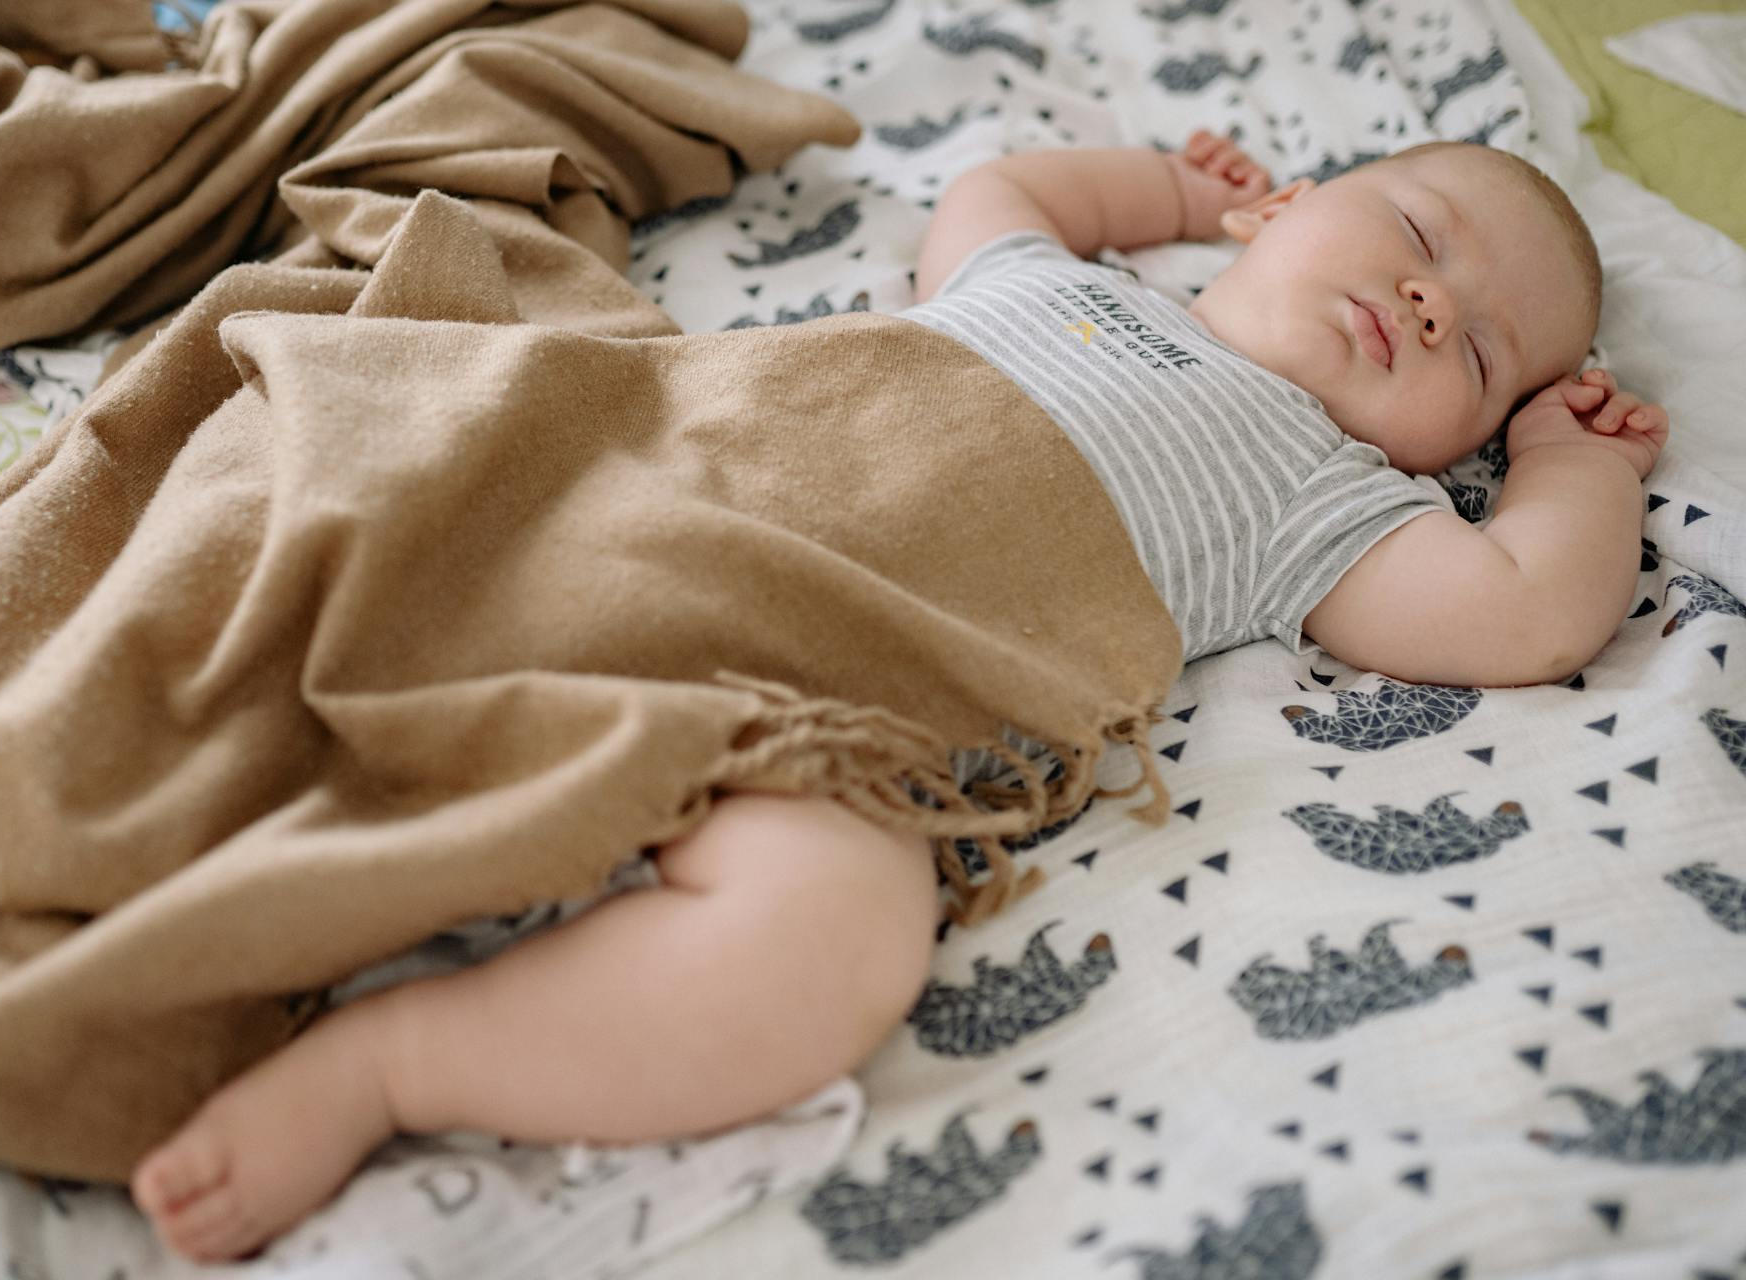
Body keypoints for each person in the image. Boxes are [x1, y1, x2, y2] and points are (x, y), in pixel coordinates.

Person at [130, 131, 1668, 1261]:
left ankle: (395, 1062)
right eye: (1417, 230)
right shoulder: (1060, 286)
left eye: (1476, 350)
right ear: (1279, 205)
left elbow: (1525, 612)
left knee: (833, 943)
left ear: (1443, 451)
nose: (1423, 294)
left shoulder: (1322, 504)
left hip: (825, 697)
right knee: (400, 448)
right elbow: (1003, 189)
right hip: (667, 492)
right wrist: (1170, 190)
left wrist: (1568, 466)